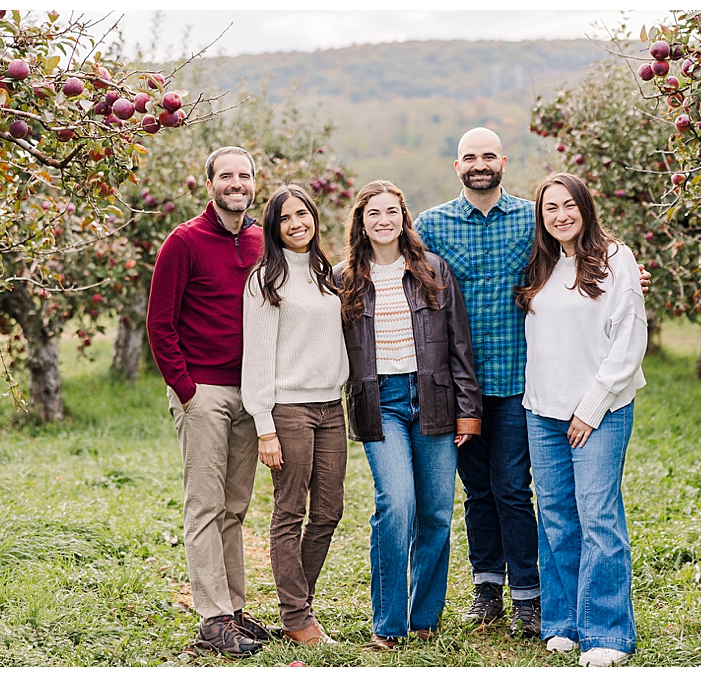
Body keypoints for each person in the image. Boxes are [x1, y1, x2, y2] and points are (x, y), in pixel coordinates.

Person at [336, 180, 482, 650]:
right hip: (381, 404)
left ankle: (424, 616)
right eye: (373, 213)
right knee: (396, 504)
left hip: (434, 398)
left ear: (404, 217)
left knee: (437, 513)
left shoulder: (433, 271)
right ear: (360, 222)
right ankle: (388, 622)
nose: (384, 220)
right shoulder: (343, 280)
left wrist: (469, 411)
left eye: (391, 211)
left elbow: (459, 345)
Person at [413, 127, 547, 635]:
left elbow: (581, 249)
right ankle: (487, 587)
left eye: (488, 155)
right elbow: (388, 266)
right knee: (477, 491)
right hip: (459, 385)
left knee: (513, 487)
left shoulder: (533, 219)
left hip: (516, 378)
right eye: (469, 156)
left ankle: (527, 598)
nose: (479, 163)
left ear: (504, 162)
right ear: (457, 166)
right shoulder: (432, 224)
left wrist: (627, 271)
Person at [515, 172, 649, 668]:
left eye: (569, 205)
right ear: (541, 216)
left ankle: (607, 632)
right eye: (551, 208)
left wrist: (589, 407)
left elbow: (629, 340)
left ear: (585, 208)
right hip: (543, 411)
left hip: (600, 411)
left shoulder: (617, 259)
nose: (561, 215)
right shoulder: (541, 265)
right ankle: (564, 624)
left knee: (598, 517)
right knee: (555, 519)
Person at [148, 146, 272, 658]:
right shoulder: (183, 242)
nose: (236, 183)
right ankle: (211, 618)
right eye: (226, 176)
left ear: (254, 184)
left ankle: (233, 609)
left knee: (235, 507)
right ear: (210, 184)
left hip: (252, 392)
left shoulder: (265, 240)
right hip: (204, 392)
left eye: (244, 175)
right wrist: (186, 389)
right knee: (205, 505)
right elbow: (160, 323)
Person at [240, 185, 348, 646]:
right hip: (289, 409)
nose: (296, 223)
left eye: (302, 214)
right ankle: (297, 616)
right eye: (285, 218)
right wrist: (265, 426)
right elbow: (258, 356)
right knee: (290, 512)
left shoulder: (328, 275)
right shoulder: (265, 280)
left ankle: (298, 604)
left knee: (328, 511)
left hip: (331, 407)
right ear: (273, 227)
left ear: (314, 218)